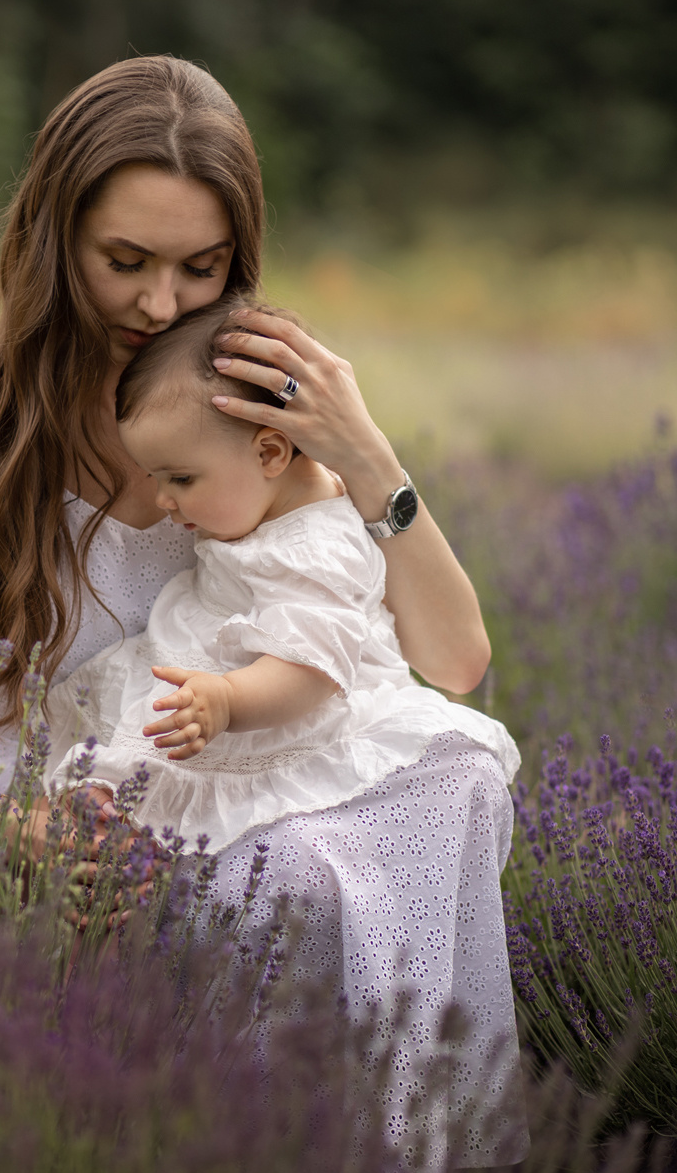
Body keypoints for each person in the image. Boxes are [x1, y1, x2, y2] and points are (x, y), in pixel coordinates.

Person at [0, 54, 524, 1168]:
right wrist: (2, 829)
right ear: (48, 239)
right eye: (122, 261)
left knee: (355, 853)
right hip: (52, 816)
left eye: (199, 268)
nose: (160, 304)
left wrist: (361, 450)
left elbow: (453, 663)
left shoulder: (245, 419)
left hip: (241, 802)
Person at [42, 298, 520, 857]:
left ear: (270, 452)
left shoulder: (315, 546)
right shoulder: (254, 503)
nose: (163, 498)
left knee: (228, 800)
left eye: (180, 478)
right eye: (155, 476)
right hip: (223, 687)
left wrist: (227, 699)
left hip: (279, 711)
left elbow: (309, 666)